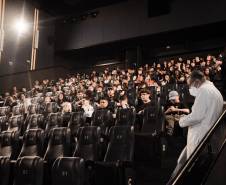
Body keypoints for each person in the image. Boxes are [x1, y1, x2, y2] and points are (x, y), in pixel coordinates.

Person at [174, 70, 223, 175]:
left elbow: (197, 116)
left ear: (196, 81)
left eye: (190, 85)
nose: (190, 89)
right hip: (207, 134)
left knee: (192, 169)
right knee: (182, 163)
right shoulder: (215, 90)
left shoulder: (204, 90)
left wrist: (181, 121)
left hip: (200, 135)